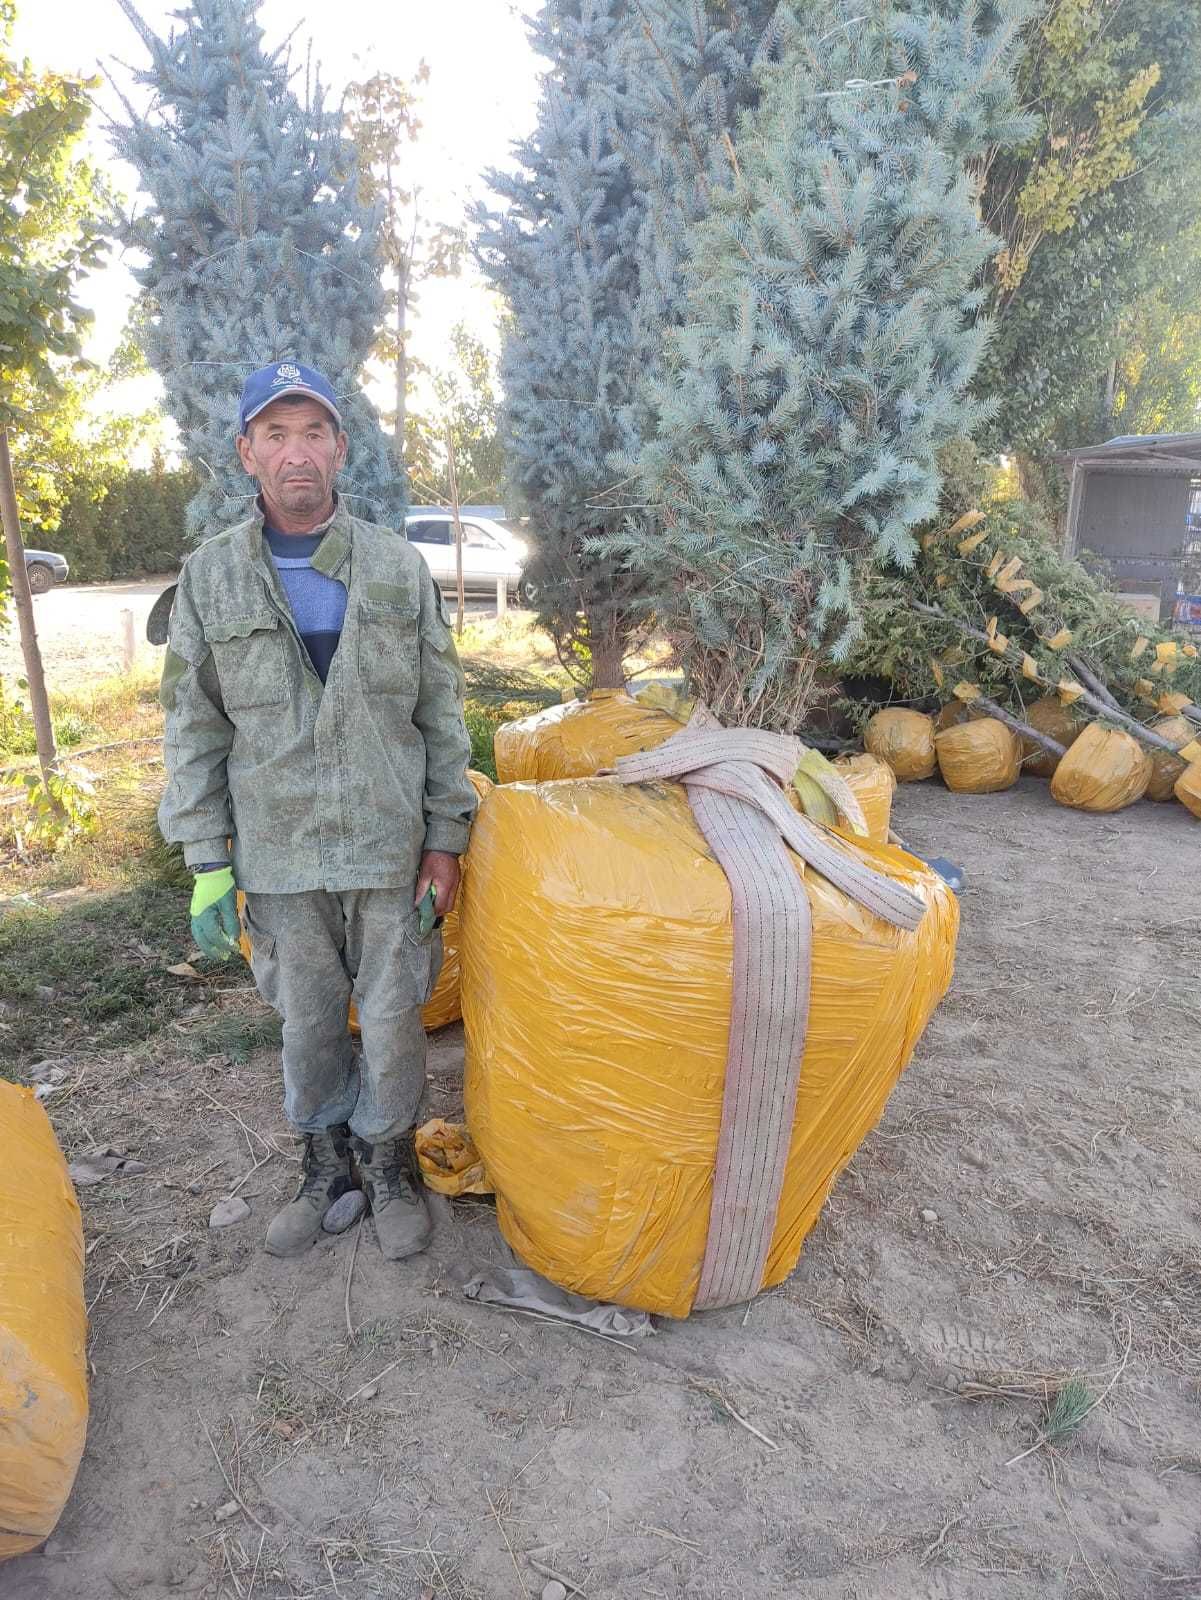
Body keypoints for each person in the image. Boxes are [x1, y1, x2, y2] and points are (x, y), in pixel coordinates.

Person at [158, 360, 477, 1262]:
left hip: (387, 845)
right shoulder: (211, 578)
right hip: (280, 848)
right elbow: (193, 723)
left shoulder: (392, 564)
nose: (296, 453)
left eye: (312, 433)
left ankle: (387, 1165)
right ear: (246, 454)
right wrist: (206, 857)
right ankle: (323, 1163)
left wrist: (446, 836)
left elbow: (438, 709)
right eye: (275, 435)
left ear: (339, 447)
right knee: (306, 1020)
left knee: (390, 1016)